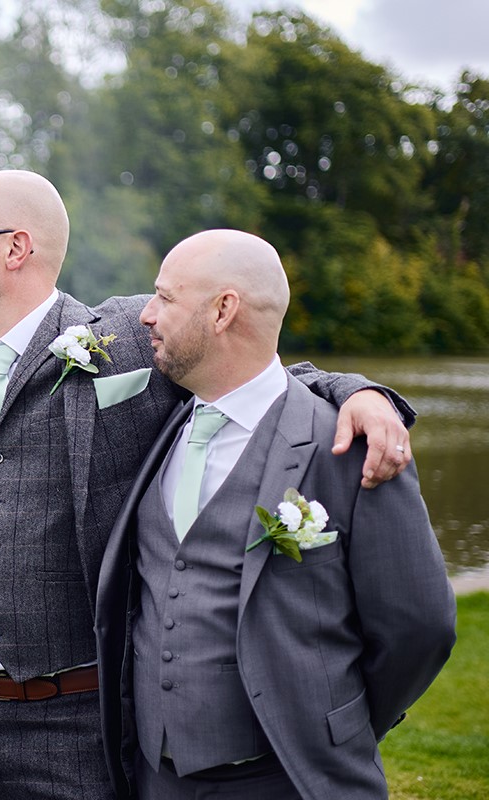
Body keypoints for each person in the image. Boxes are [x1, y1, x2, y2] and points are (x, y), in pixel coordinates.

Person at [0, 170, 415, 800]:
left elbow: (249, 369)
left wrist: (357, 391)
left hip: (84, 719)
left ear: (15, 248)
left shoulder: (126, 338)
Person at [95, 229, 456, 799]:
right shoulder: (159, 415)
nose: (145, 314)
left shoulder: (349, 447)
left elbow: (420, 628)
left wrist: (339, 722)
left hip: (286, 778)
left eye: (165, 297)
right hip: (154, 778)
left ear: (223, 310)